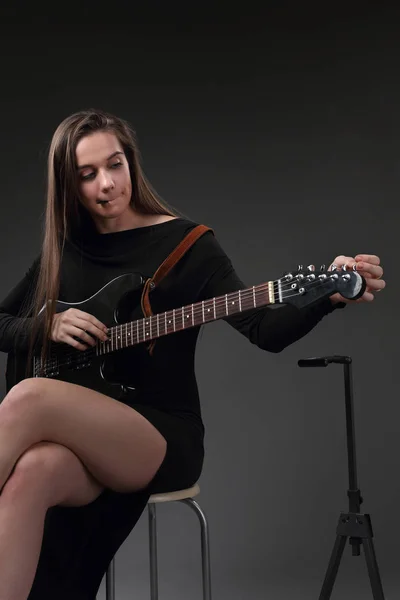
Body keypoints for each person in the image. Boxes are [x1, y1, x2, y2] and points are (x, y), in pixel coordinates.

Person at [0, 109, 385, 600]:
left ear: (131, 163)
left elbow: (263, 329)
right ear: (67, 185)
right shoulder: (67, 248)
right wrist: (44, 324)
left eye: (114, 164)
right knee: (32, 471)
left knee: (29, 399)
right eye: (87, 174)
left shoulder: (188, 244)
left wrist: (327, 297)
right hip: (83, 442)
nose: (106, 185)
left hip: (158, 434)